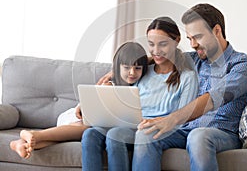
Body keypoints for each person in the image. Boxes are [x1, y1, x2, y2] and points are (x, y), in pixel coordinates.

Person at [132, 3, 247, 171]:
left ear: (216, 31)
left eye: (197, 37)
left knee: (198, 136)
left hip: (222, 133)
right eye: (189, 38)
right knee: (146, 133)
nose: (192, 44)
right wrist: (115, 72)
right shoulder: (195, 60)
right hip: (186, 131)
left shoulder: (243, 66)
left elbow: (213, 98)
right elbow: (160, 56)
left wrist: (172, 119)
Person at [81, 16, 199, 171]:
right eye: (151, 44)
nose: (156, 51)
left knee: (115, 135)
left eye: (162, 44)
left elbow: (183, 118)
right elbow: (123, 95)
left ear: (176, 40)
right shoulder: (143, 70)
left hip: (158, 129)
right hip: (130, 125)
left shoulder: (187, 77)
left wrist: (152, 121)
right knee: (90, 135)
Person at [9, 41, 148, 159]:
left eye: (137, 68)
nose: (132, 72)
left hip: (89, 126)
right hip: (76, 118)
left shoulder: (138, 89)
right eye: (127, 67)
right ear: (117, 67)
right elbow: (90, 105)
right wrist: (82, 106)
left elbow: (152, 60)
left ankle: (23, 143)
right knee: (88, 128)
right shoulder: (108, 84)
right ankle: (35, 134)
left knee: (62, 139)